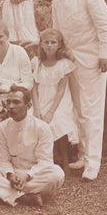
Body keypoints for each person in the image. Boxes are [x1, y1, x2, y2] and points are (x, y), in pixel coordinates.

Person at [46, 0, 107, 181]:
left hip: (93, 60)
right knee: (75, 109)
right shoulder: (56, 0)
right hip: (69, 61)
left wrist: (106, 53)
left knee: (91, 110)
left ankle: (93, 163)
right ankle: (83, 155)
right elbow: (57, 31)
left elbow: (106, 24)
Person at [0, 85, 65, 207]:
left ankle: (3, 192)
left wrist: (27, 175)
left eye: (16, 102)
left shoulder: (42, 128)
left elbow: (45, 161)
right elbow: (1, 159)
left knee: (57, 173)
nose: (10, 106)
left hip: (34, 175)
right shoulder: (2, 127)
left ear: (28, 106)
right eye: (8, 102)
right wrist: (10, 175)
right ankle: (25, 197)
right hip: (10, 176)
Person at [31, 29, 79, 172]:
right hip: (40, 99)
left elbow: (61, 90)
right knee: (33, 120)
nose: (50, 45)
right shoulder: (36, 62)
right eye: (46, 42)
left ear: (59, 45)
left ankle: (64, 158)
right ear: (41, 44)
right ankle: (43, 159)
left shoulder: (63, 63)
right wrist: (36, 108)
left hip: (59, 101)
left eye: (53, 42)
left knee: (57, 121)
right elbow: (33, 87)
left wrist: (51, 112)